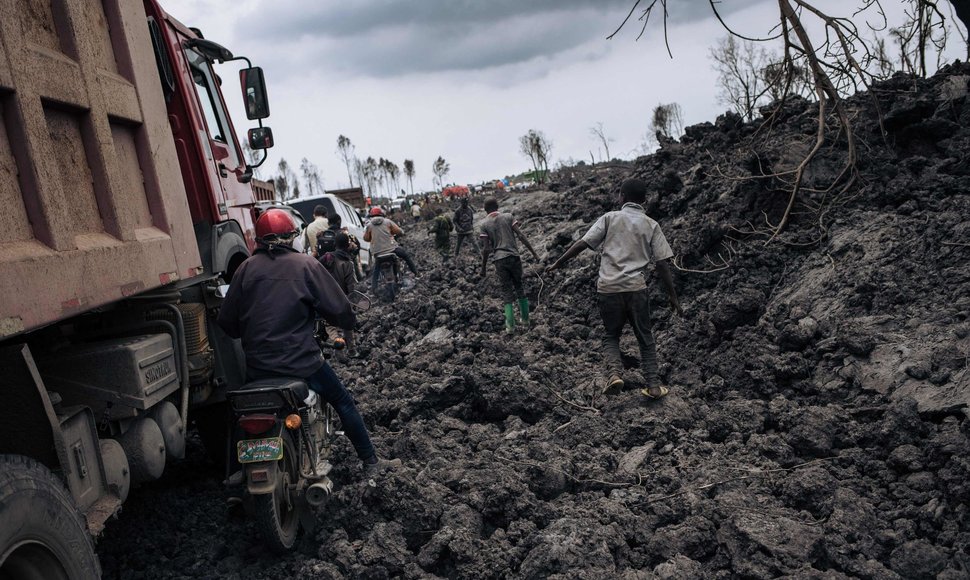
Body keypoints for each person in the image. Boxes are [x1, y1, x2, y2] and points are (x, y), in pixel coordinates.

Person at [217, 209, 399, 474]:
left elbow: (227, 324)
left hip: (258, 368)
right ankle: (371, 462)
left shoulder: (244, 270)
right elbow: (339, 309)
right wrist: (349, 321)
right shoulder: (305, 265)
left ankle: (235, 477)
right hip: (301, 362)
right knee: (343, 401)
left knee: (241, 418)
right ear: (292, 237)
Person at [546, 178, 683, 399]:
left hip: (608, 288)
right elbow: (662, 264)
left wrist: (558, 263)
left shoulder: (609, 218)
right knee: (645, 338)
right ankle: (654, 386)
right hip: (636, 288)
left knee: (611, 335)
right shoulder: (651, 224)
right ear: (644, 200)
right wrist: (673, 296)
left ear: (621, 197)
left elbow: (583, 243)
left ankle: (615, 375)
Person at [479, 197, 540, 334]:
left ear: (484, 210)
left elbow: (486, 249)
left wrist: (483, 269)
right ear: (498, 205)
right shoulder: (508, 217)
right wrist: (535, 254)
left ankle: (510, 327)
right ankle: (525, 321)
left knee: (506, 291)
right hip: (514, 257)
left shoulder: (484, 225)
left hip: (499, 261)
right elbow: (521, 236)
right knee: (519, 287)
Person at [319, 233, 358, 359]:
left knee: (330, 324)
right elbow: (351, 286)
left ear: (334, 244)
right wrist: (353, 304)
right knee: (347, 324)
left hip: (326, 298)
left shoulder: (327, 257)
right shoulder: (348, 263)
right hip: (342, 298)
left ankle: (336, 339)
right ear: (347, 245)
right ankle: (352, 350)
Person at [363, 207, 419, 291]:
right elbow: (399, 231)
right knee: (406, 256)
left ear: (371, 215)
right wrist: (398, 233)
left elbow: (366, 238)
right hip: (391, 249)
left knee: (376, 269)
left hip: (377, 252)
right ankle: (416, 273)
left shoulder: (369, 226)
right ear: (382, 214)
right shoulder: (388, 222)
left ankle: (374, 288)